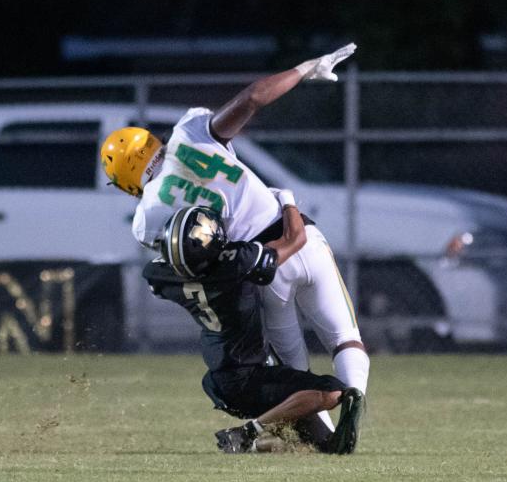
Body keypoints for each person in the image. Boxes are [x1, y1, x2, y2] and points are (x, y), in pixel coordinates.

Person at [100, 45, 370, 434]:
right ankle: (355, 395)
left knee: (293, 368)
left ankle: (325, 435)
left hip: (261, 266)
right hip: (300, 233)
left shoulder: (147, 218)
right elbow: (253, 99)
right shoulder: (189, 132)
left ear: (126, 179)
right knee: (345, 338)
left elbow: (192, 260)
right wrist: (304, 68)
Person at [144, 204, 363, 454]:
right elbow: (296, 238)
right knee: (332, 392)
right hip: (249, 378)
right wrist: (288, 201)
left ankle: (262, 443)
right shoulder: (236, 265)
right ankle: (246, 434)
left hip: (219, 380)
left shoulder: (159, 276)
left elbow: (161, 271)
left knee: (328, 445)